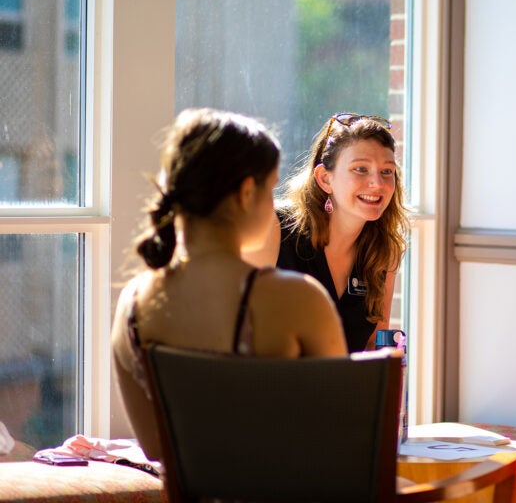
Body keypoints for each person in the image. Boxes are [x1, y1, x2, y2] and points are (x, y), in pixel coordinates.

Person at [111, 108, 346, 462]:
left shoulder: (132, 307)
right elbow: (342, 434)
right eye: (270, 189)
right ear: (246, 192)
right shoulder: (297, 299)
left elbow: (156, 448)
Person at [248, 112, 409, 352]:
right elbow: (239, 329)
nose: (378, 183)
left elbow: (374, 346)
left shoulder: (385, 251)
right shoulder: (275, 229)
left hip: (343, 388)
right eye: (361, 169)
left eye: (387, 171)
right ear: (325, 179)